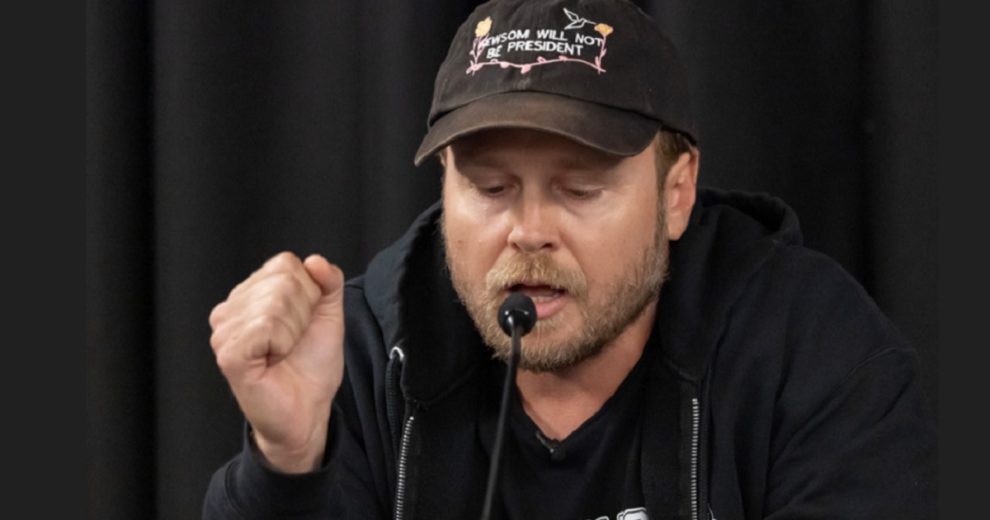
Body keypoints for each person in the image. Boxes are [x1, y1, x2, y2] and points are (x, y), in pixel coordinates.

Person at [203, 0, 936, 518]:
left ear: (676, 194)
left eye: (579, 190)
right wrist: (286, 462)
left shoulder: (812, 354)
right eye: (490, 189)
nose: (528, 232)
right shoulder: (366, 355)